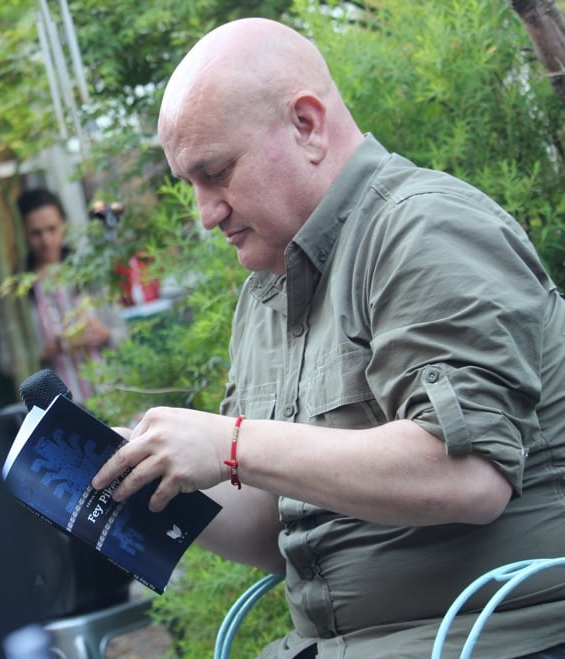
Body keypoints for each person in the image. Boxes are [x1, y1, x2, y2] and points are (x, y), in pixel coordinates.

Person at [91, 17, 565, 659]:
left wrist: (230, 444)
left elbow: (468, 476)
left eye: (218, 173)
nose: (206, 213)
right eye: (191, 184)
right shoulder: (266, 288)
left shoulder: (424, 229)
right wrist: (144, 474)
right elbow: (275, 532)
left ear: (307, 125)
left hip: (484, 642)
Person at [0, 188, 127, 403]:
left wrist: (105, 335)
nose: (46, 240)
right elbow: (6, 361)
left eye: (52, 229)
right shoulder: (16, 292)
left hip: (111, 397)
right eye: (36, 233)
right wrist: (42, 353)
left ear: (64, 225)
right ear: (23, 235)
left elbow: (123, 332)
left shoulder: (88, 273)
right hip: (59, 409)